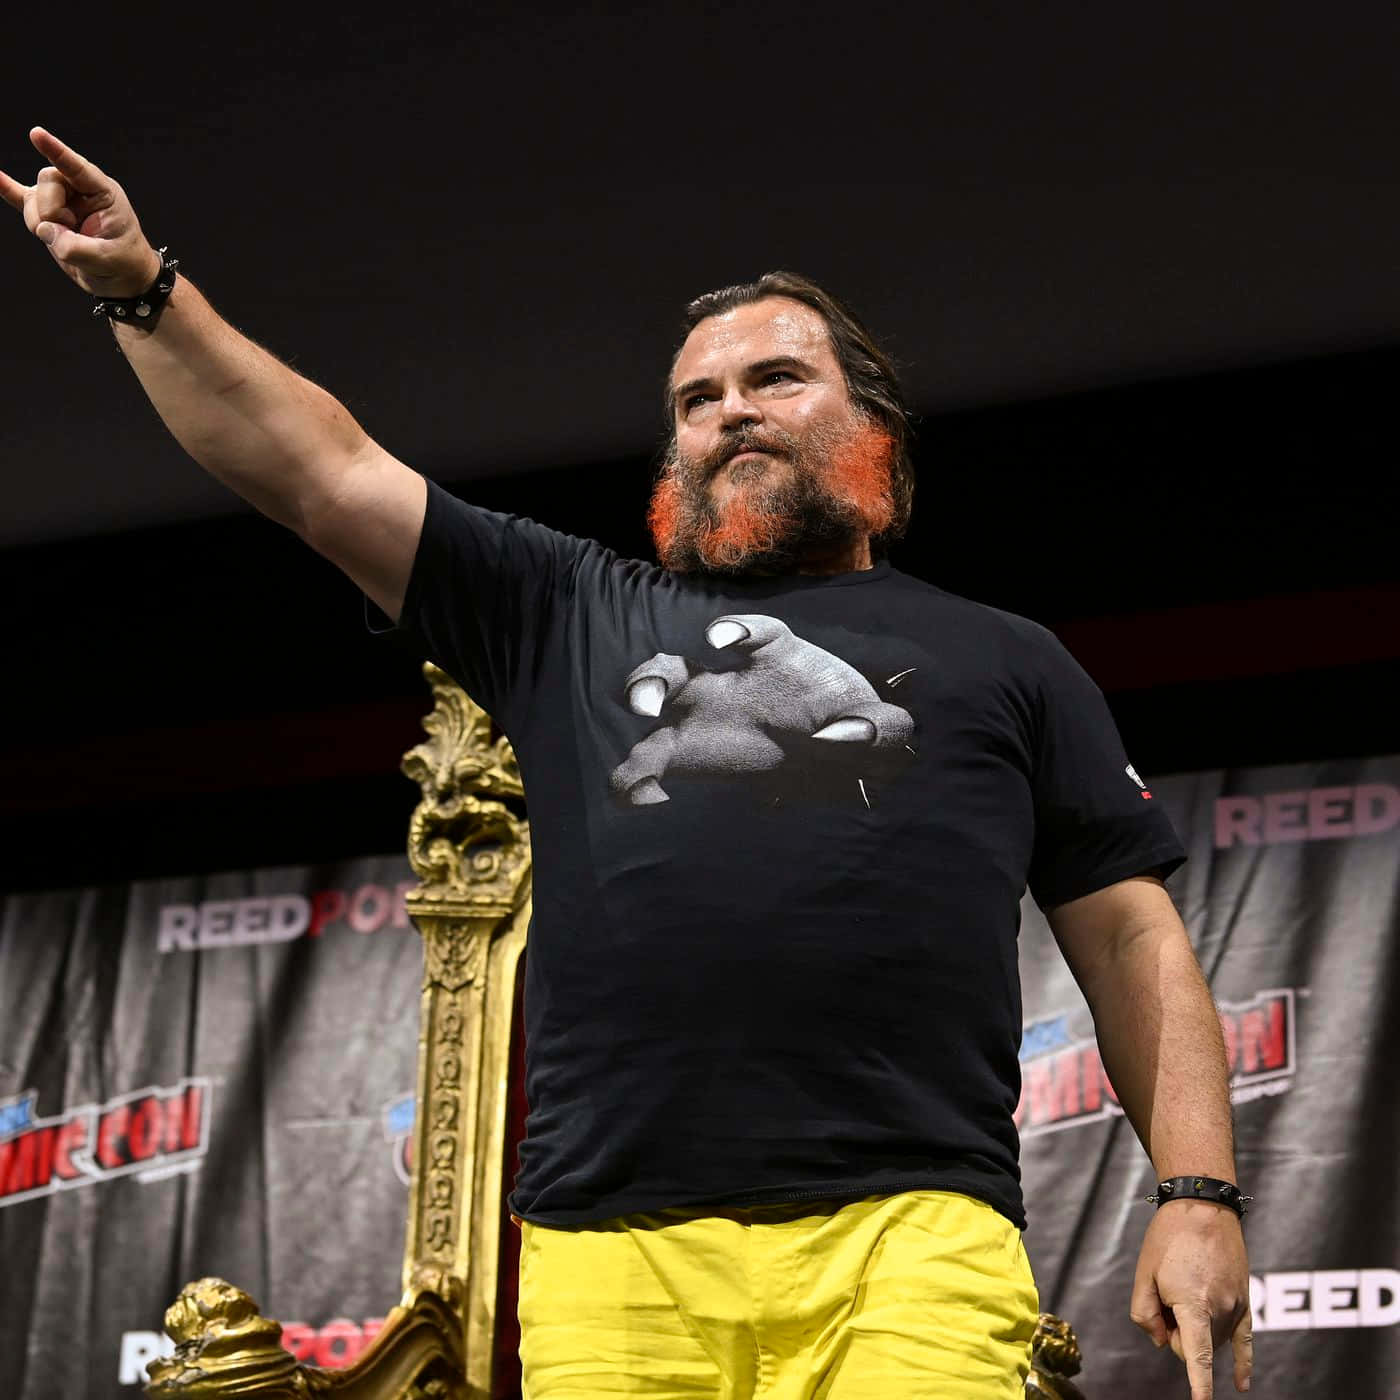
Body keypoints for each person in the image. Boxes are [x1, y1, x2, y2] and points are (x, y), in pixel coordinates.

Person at [2, 128, 1252, 1400]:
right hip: (611, 1255)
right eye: (695, 400)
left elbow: (1129, 939)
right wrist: (140, 289)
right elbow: (317, 470)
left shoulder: (1007, 656)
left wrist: (1197, 1192)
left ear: (871, 427)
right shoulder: (566, 610)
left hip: (909, 1238)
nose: (728, 413)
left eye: (774, 379)